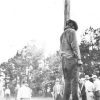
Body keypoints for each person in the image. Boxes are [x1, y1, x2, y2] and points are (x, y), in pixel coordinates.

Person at [60, 19, 82, 100]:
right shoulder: (72, 31)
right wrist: (79, 59)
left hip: (64, 61)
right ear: (72, 26)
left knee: (67, 83)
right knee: (74, 83)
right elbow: (75, 46)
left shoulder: (62, 35)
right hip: (71, 59)